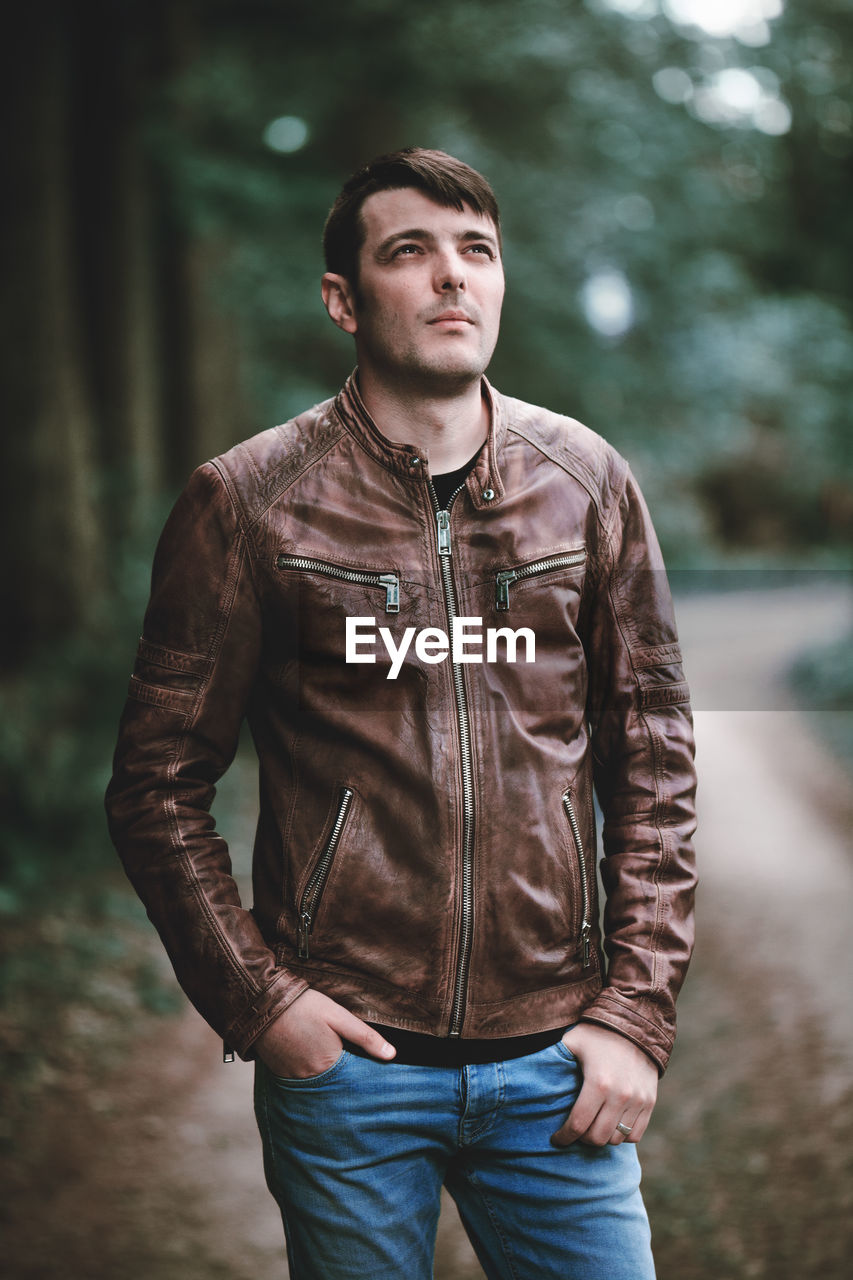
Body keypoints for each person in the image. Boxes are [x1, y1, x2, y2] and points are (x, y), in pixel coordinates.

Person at [106, 147, 697, 1280]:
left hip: (556, 1070)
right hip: (353, 1074)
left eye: (476, 251)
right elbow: (155, 781)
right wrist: (262, 1001)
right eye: (409, 252)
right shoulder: (249, 501)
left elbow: (656, 762)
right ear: (343, 298)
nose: (451, 279)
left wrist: (634, 1012)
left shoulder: (586, 482)